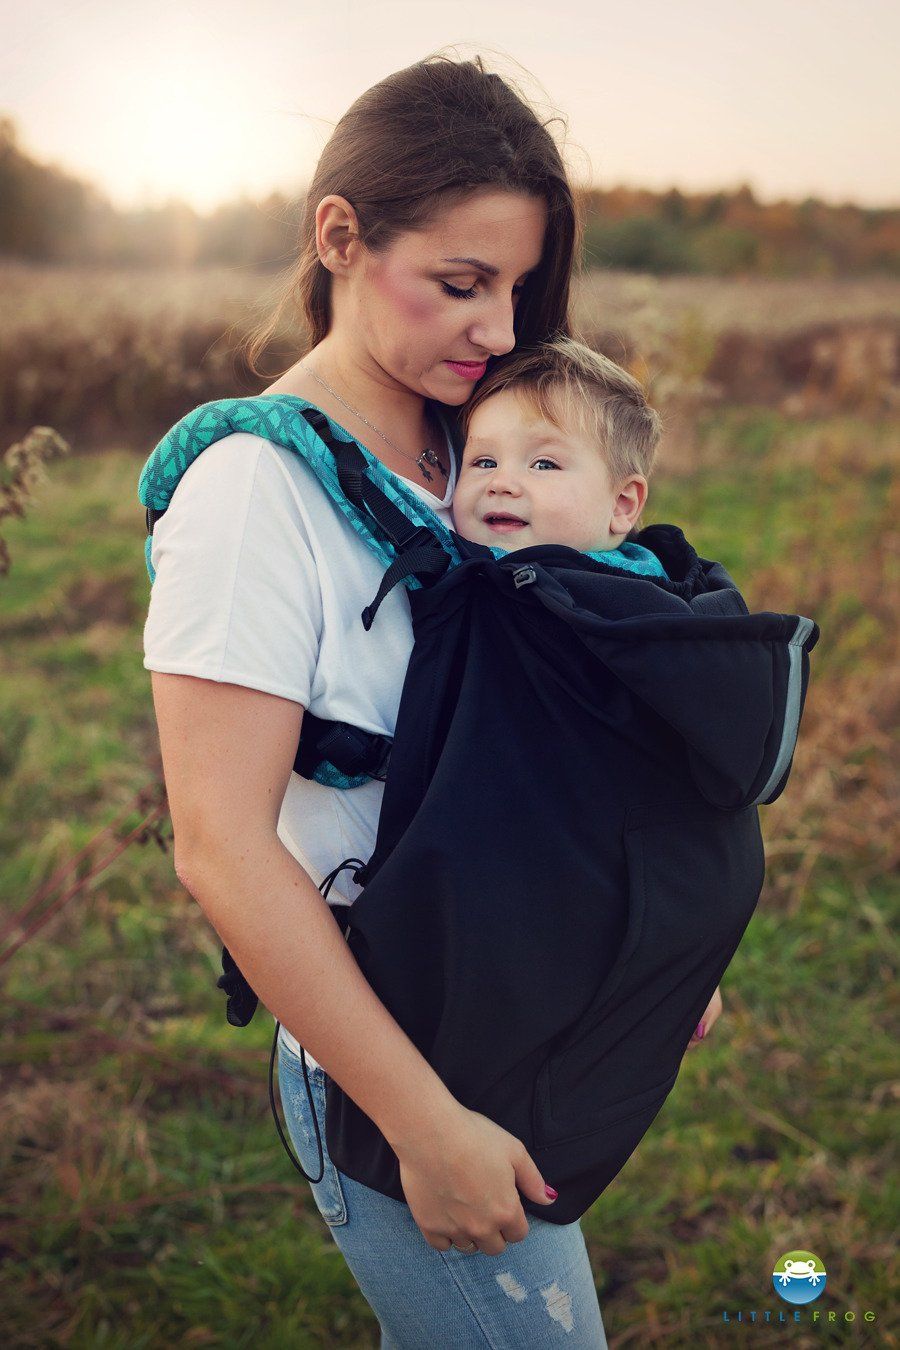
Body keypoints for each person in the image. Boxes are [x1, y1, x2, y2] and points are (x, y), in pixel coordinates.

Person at [144, 52, 619, 1349]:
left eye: (517, 287)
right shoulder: (253, 492)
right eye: (462, 284)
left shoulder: (477, 446)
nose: (499, 328)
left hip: (512, 1021)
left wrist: (643, 942)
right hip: (398, 1066)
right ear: (340, 237)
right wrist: (422, 1123)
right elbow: (220, 846)